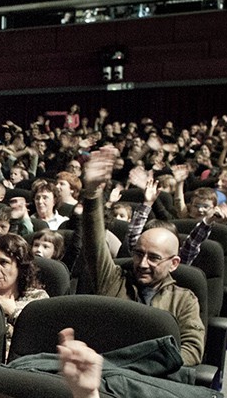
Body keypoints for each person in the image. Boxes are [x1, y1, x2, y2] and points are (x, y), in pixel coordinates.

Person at [79, 147, 205, 366]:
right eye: (138, 254)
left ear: (174, 263)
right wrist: (92, 195)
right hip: (103, 373)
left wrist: (147, 365)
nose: (142, 264)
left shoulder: (184, 300)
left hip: (150, 380)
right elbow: (94, 243)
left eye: (154, 258)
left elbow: (192, 351)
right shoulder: (114, 279)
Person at [0, 234, 49, 360]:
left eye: (3, 262)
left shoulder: (37, 298)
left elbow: (42, 338)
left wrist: (13, 312)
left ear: (20, 266)